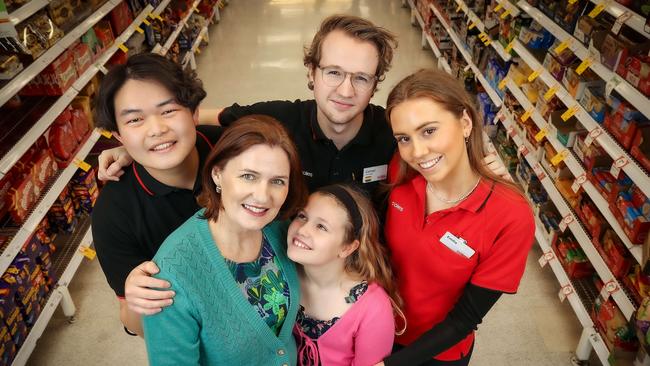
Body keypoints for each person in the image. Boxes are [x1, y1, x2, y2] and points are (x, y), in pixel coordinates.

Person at [97, 14, 508, 319]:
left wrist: (480, 167)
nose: (345, 91)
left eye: (361, 78)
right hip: (285, 288)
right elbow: (200, 116)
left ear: (376, 83)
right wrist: (142, 146)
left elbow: (440, 149)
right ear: (311, 73)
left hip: (363, 288)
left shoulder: (393, 134)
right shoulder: (276, 121)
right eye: (332, 73)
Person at [378, 69, 535, 366]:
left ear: (465, 123)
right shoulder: (401, 170)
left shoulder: (510, 216)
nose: (418, 151)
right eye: (403, 138)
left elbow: (464, 319)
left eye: (429, 131)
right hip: (378, 331)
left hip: (439, 354)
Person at [143, 115, 307, 365]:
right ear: (217, 174)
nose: (263, 197)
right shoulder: (171, 273)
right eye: (248, 176)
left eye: (277, 181)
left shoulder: (281, 230)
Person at [90, 52, 224, 336]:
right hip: (200, 334)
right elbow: (132, 322)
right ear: (118, 136)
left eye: (168, 111)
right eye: (135, 120)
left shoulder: (232, 148)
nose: (157, 130)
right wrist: (140, 300)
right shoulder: (114, 214)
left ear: (195, 112)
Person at [288, 184, 401, 366]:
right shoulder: (283, 275)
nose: (302, 230)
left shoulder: (373, 308)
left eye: (321, 227)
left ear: (347, 248)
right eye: (302, 216)